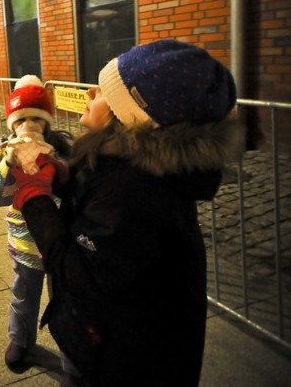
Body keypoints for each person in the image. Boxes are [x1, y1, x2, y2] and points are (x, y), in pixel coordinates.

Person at [13, 40, 240, 385]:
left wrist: (33, 197)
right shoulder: (128, 162)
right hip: (109, 337)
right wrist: (63, 181)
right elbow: (99, 202)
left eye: (105, 92)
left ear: (132, 118)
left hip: (122, 357)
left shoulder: (135, 189)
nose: (89, 93)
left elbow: (79, 271)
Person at [0, 75, 72, 374]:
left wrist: (54, 163)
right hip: (25, 243)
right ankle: (20, 343)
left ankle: (73, 357)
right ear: (12, 122)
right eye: (23, 118)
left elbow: (72, 185)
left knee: (67, 301)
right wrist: (10, 162)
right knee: (24, 295)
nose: (30, 125)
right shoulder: (1, 152)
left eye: (37, 118)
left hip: (61, 241)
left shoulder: (62, 146)